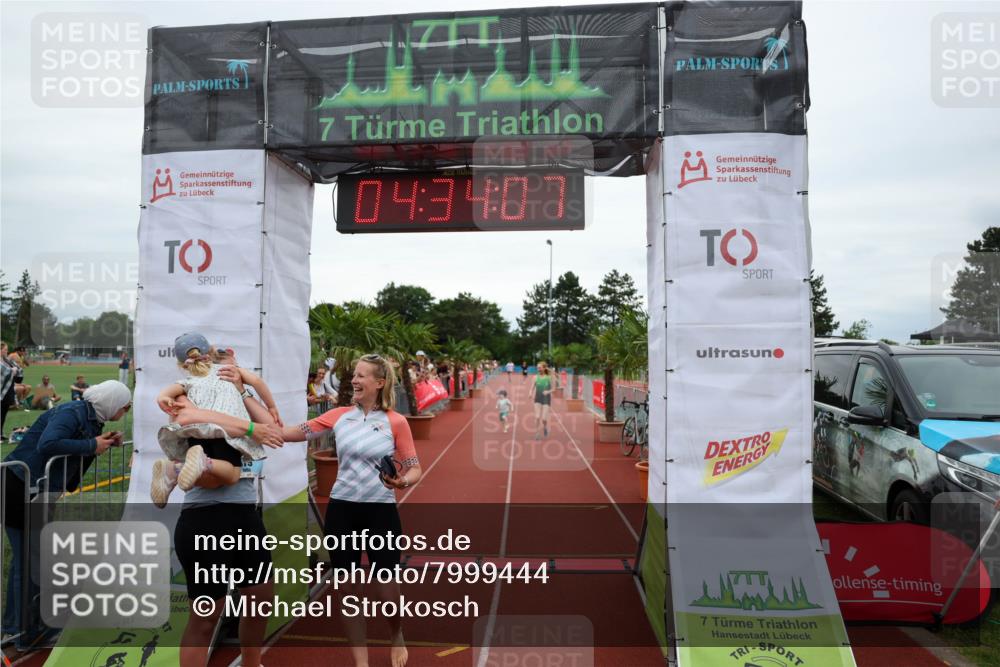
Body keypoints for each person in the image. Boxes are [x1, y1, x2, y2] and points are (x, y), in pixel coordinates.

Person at [280, 354, 421, 667]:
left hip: (380, 512)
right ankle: (361, 662)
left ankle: (395, 633)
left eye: (360, 376)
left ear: (379, 383)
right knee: (347, 589)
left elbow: (414, 467)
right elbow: (293, 432)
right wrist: (252, 420)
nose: (354, 381)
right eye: (354, 375)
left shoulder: (396, 421)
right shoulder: (339, 415)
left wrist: (402, 482)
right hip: (342, 509)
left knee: (388, 592)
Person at [157, 373, 282, 667]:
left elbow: (274, 428)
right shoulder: (185, 403)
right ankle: (178, 470)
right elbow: (190, 416)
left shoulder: (239, 404)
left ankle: (252, 663)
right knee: (204, 618)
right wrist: (250, 427)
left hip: (242, 517)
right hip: (203, 519)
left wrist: (243, 388)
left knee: (260, 602)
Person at [2, 381, 131, 654]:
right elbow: (49, 444)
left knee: (26, 562)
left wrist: (101, 443)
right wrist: (90, 444)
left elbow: (79, 452)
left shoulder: (91, 417)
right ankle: (28, 633)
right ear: (111, 401)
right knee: (33, 563)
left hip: (34, 490)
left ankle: (16, 628)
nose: (126, 410)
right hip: (21, 488)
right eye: (125, 405)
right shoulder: (71, 412)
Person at [150, 333, 281, 508]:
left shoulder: (187, 382)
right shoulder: (230, 371)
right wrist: (271, 406)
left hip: (197, 431)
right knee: (232, 474)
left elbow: (164, 394)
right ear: (211, 352)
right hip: (225, 432)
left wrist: (163, 399)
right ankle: (203, 462)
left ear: (182, 364)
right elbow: (257, 381)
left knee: (210, 478)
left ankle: (173, 470)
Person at [532, 361, 554, 439]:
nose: (538, 369)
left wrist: (548, 391)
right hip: (537, 398)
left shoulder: (549, 377)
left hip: (546, 399)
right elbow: (532, 387)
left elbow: (554, 389)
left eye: (539, 367)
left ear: (544, 368)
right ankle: (537, 433)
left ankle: (545, 427)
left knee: (544, 418)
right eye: (537, 367)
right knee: (537, 417)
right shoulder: (535, 377)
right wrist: (530, 393)